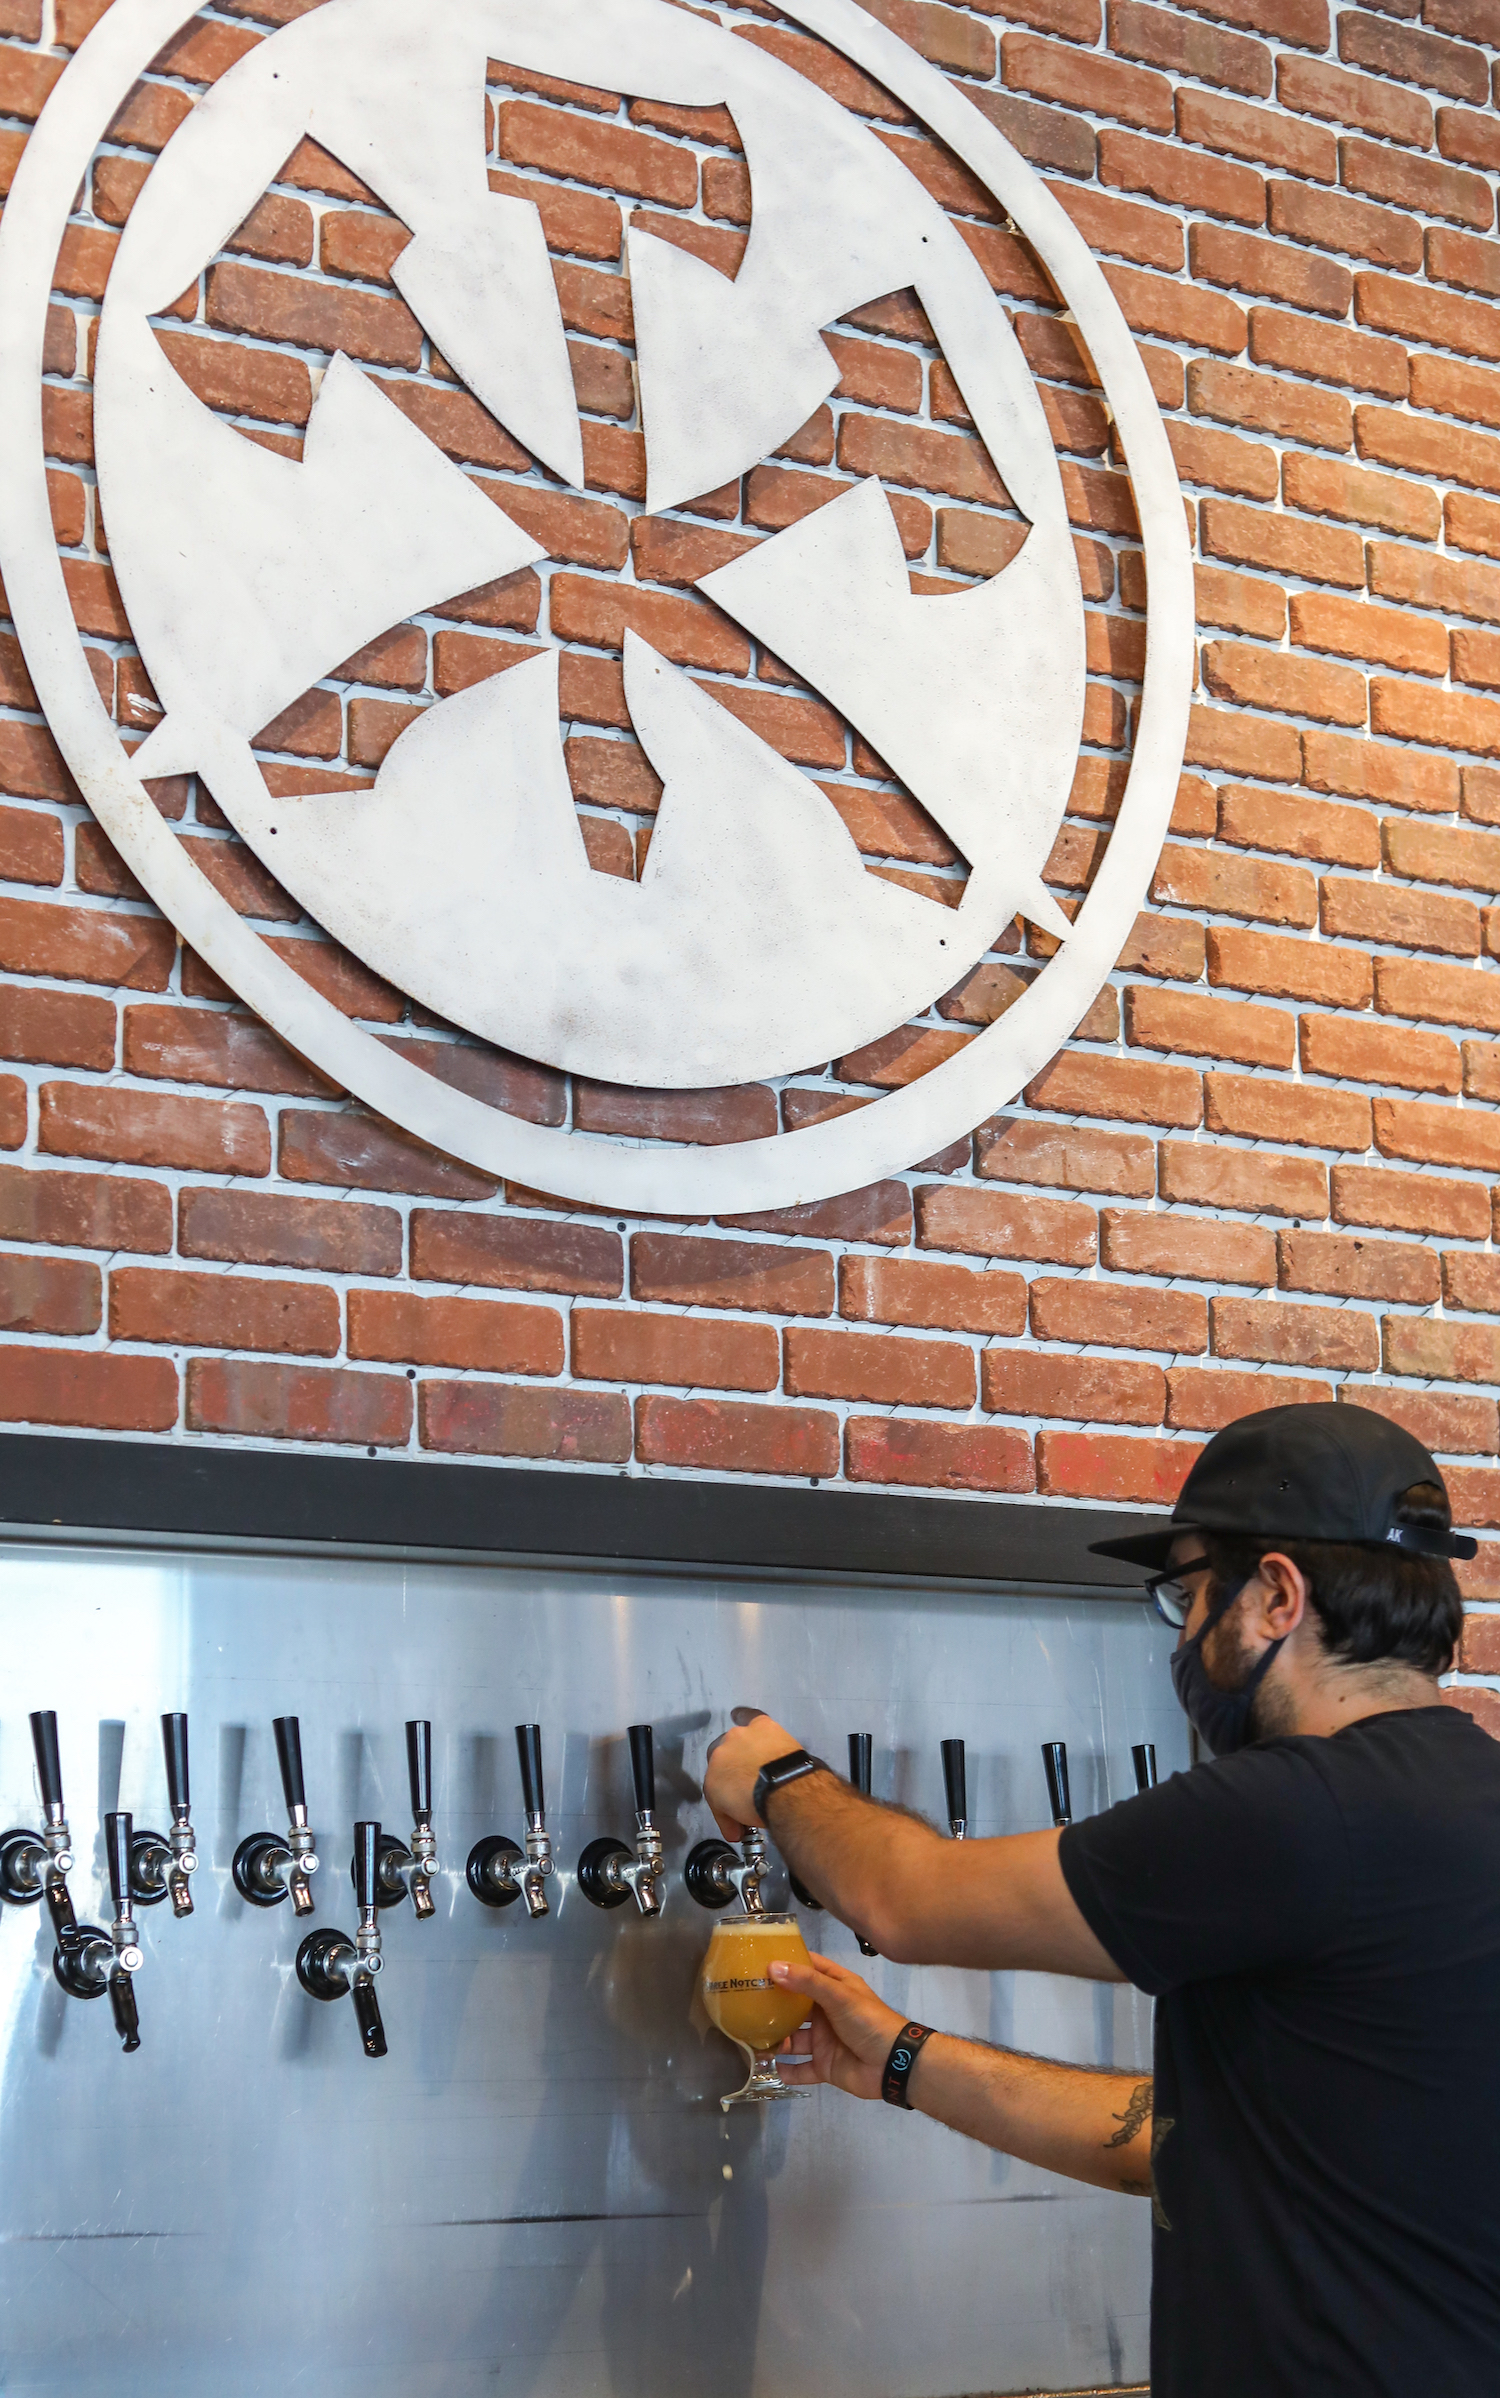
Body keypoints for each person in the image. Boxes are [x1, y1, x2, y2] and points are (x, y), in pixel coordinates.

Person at [702, 1402, 1500, 2398]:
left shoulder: (1293, 1811)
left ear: (1276, 1597)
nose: (1186, 1634)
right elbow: (1177, 2141)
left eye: (1192, 1594)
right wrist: (903, 2057)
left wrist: (775, 1772)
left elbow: (899, 1902)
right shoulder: (1464, 1800)